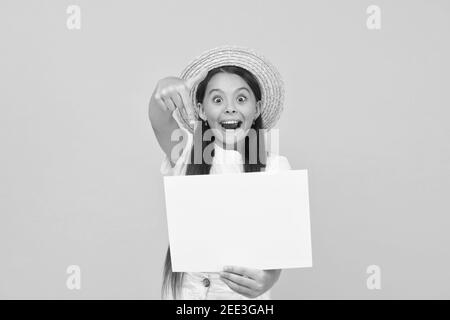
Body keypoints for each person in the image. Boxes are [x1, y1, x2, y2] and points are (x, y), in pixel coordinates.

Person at [148, 46, 291, 300]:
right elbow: (159, 119)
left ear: (256, 109)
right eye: (217, 99)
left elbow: (278, 248)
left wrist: (270, 278)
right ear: (202, 111)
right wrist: (163, 88)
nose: (230, 108)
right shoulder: (185, 153)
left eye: (241, 99)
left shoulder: (275, 168)